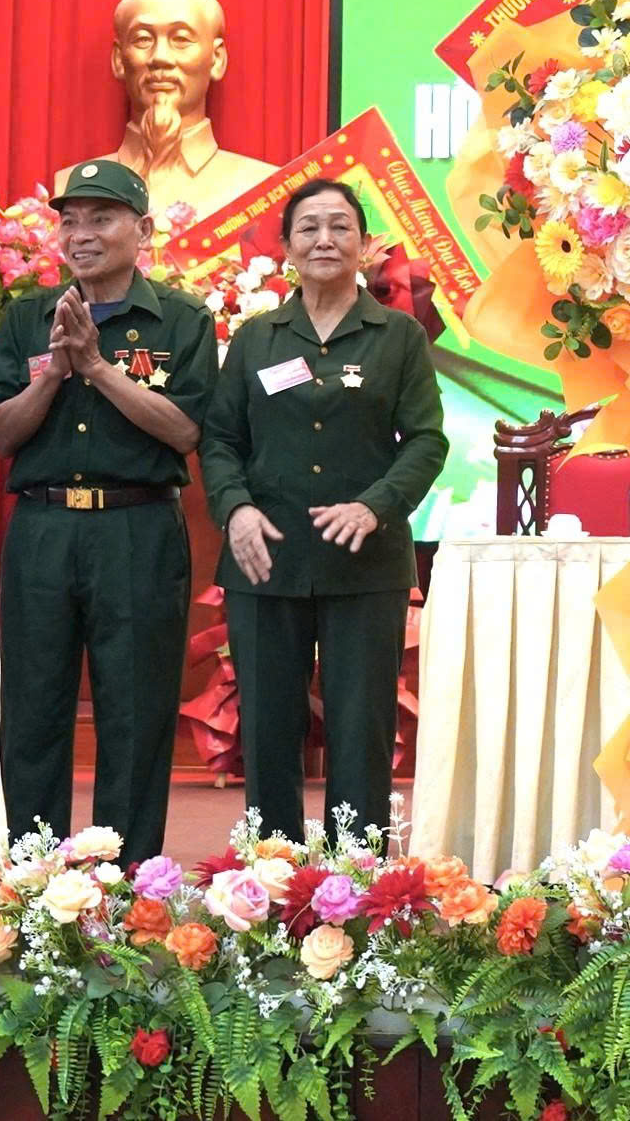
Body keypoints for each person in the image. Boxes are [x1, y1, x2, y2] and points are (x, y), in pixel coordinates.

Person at [0, 160, 218, 862]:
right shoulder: (27, 317)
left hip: (137, 527)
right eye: (70, 220)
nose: (81, 234)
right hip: (44, 527)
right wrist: (54, 374)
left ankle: (127, 883)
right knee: (33, 709)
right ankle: (34, 883)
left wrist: (96, 367)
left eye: (101, 218)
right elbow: (0, 435)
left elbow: (186, 430)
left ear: (142, 230)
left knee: (135, 711)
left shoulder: (182, 319)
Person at [203, 180, 449, 838]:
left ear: (365, 246)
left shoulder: (398, 336)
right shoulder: (256, 338)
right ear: (287, 247)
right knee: (268, 728)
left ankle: (356, 876)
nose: (324, 239)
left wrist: (376, 506)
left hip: (365, 562)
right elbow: (220, 439)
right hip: (265, 557)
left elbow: (427, 440)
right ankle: (273, 872)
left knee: (361, 729)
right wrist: (236, 510)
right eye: (308, 227)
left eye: (340, 226)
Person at [52, 0, 278, 224]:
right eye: (143, 39)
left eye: (181, 39)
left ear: (216, 59)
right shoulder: (72, 186)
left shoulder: (262, 189)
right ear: (119, 59)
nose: (160, 57)